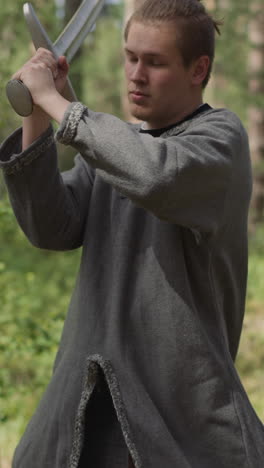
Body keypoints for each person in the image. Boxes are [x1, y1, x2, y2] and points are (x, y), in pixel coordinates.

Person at [0, 0, 263, 466]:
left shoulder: (220, 140)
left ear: (198, 68)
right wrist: (36, 114)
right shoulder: (114, 148)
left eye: (155, 62)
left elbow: (156, 175)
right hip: (87, 416)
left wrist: (61, 104)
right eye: (130, 57)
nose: (136, 74)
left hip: (179, 422)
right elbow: (49, 227)